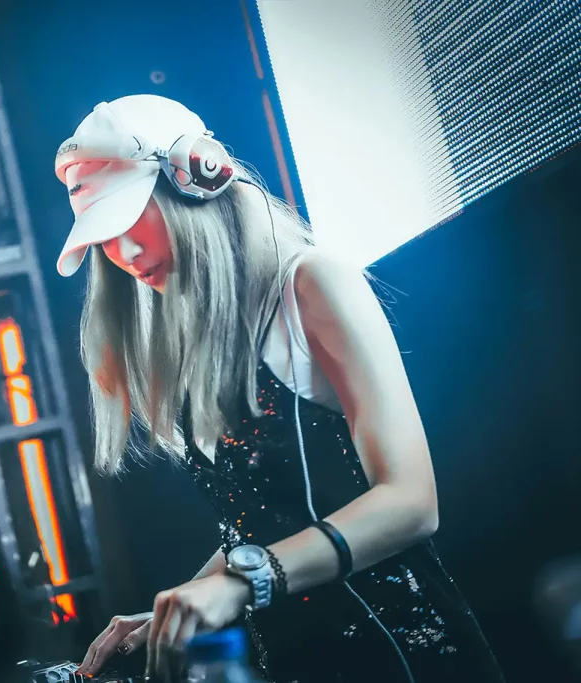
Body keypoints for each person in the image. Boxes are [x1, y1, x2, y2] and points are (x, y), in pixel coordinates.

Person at [54, 95, 505, 683]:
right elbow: (264, 522)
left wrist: (241, 583)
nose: (124, 254)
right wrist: (179, 607)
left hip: (406, 656)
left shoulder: (314, 285)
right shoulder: (200, 337)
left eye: (132, 218)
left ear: (200, 177)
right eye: (105, 238)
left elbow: (411, 502)